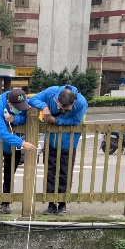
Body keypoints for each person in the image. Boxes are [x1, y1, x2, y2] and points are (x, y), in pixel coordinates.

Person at [28, 85, 88, 215]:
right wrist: (44, 107)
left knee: (65, 174)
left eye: (65, 109)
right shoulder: (51, 92)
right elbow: (32, 100)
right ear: (57, 99)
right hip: (50, 141)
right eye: (59, 107)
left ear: (74, 103)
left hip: (69, 143)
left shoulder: (82, 103)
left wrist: (56, 120)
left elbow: (76, 120)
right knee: (50, 173)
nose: (61, 109)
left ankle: (62, 204)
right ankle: (51, 204)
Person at [0, 88, 37, 218]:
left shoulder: (24, 102)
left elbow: (26, 117)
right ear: (9, 104)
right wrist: (22, 143)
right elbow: (2, 133)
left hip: (16, 141)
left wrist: (16, 119)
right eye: (17, 107)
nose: (21, 108)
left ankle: (5, 202)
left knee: (10, 172)